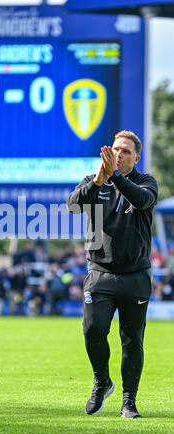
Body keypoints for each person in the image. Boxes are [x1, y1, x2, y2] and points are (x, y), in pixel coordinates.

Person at [68, 130, 158, 418]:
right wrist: (99, 180)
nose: (119, 154)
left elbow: (142, 200)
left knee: (132, 340)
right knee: (93, 330)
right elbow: (73, 205)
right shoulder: (94, 181)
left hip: (135, 275)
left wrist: (115, 176)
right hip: (100, 273)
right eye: (116, 149)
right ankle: (102, 381)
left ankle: (129, 401)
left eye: (126, 151)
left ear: (137, 157)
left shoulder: (146, 182)